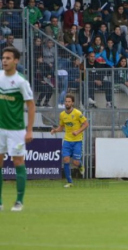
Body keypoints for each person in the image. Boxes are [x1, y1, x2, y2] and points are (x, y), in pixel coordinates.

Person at [0, 47, 35, 212]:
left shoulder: (21, 81)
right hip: (0, 128)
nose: (4, 60)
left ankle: (19, 201)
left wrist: (29, 130)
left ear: (16, 61)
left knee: (18, 162)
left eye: (8, 58)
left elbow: (31, 105)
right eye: (3, 58)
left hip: (16, 129)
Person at [51, 94, 88, 188]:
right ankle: (69, 181)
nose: (67, 103)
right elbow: (61, 127)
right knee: (66, 160)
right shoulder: (62, 115)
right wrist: (55, 130)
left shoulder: (77, 113)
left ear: (72, 103)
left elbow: (86, 124)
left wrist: (78, 131)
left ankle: (80, 165)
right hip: (67, 140)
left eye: (69, 101)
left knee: (75, 162)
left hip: (77, 141)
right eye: (66, 101)